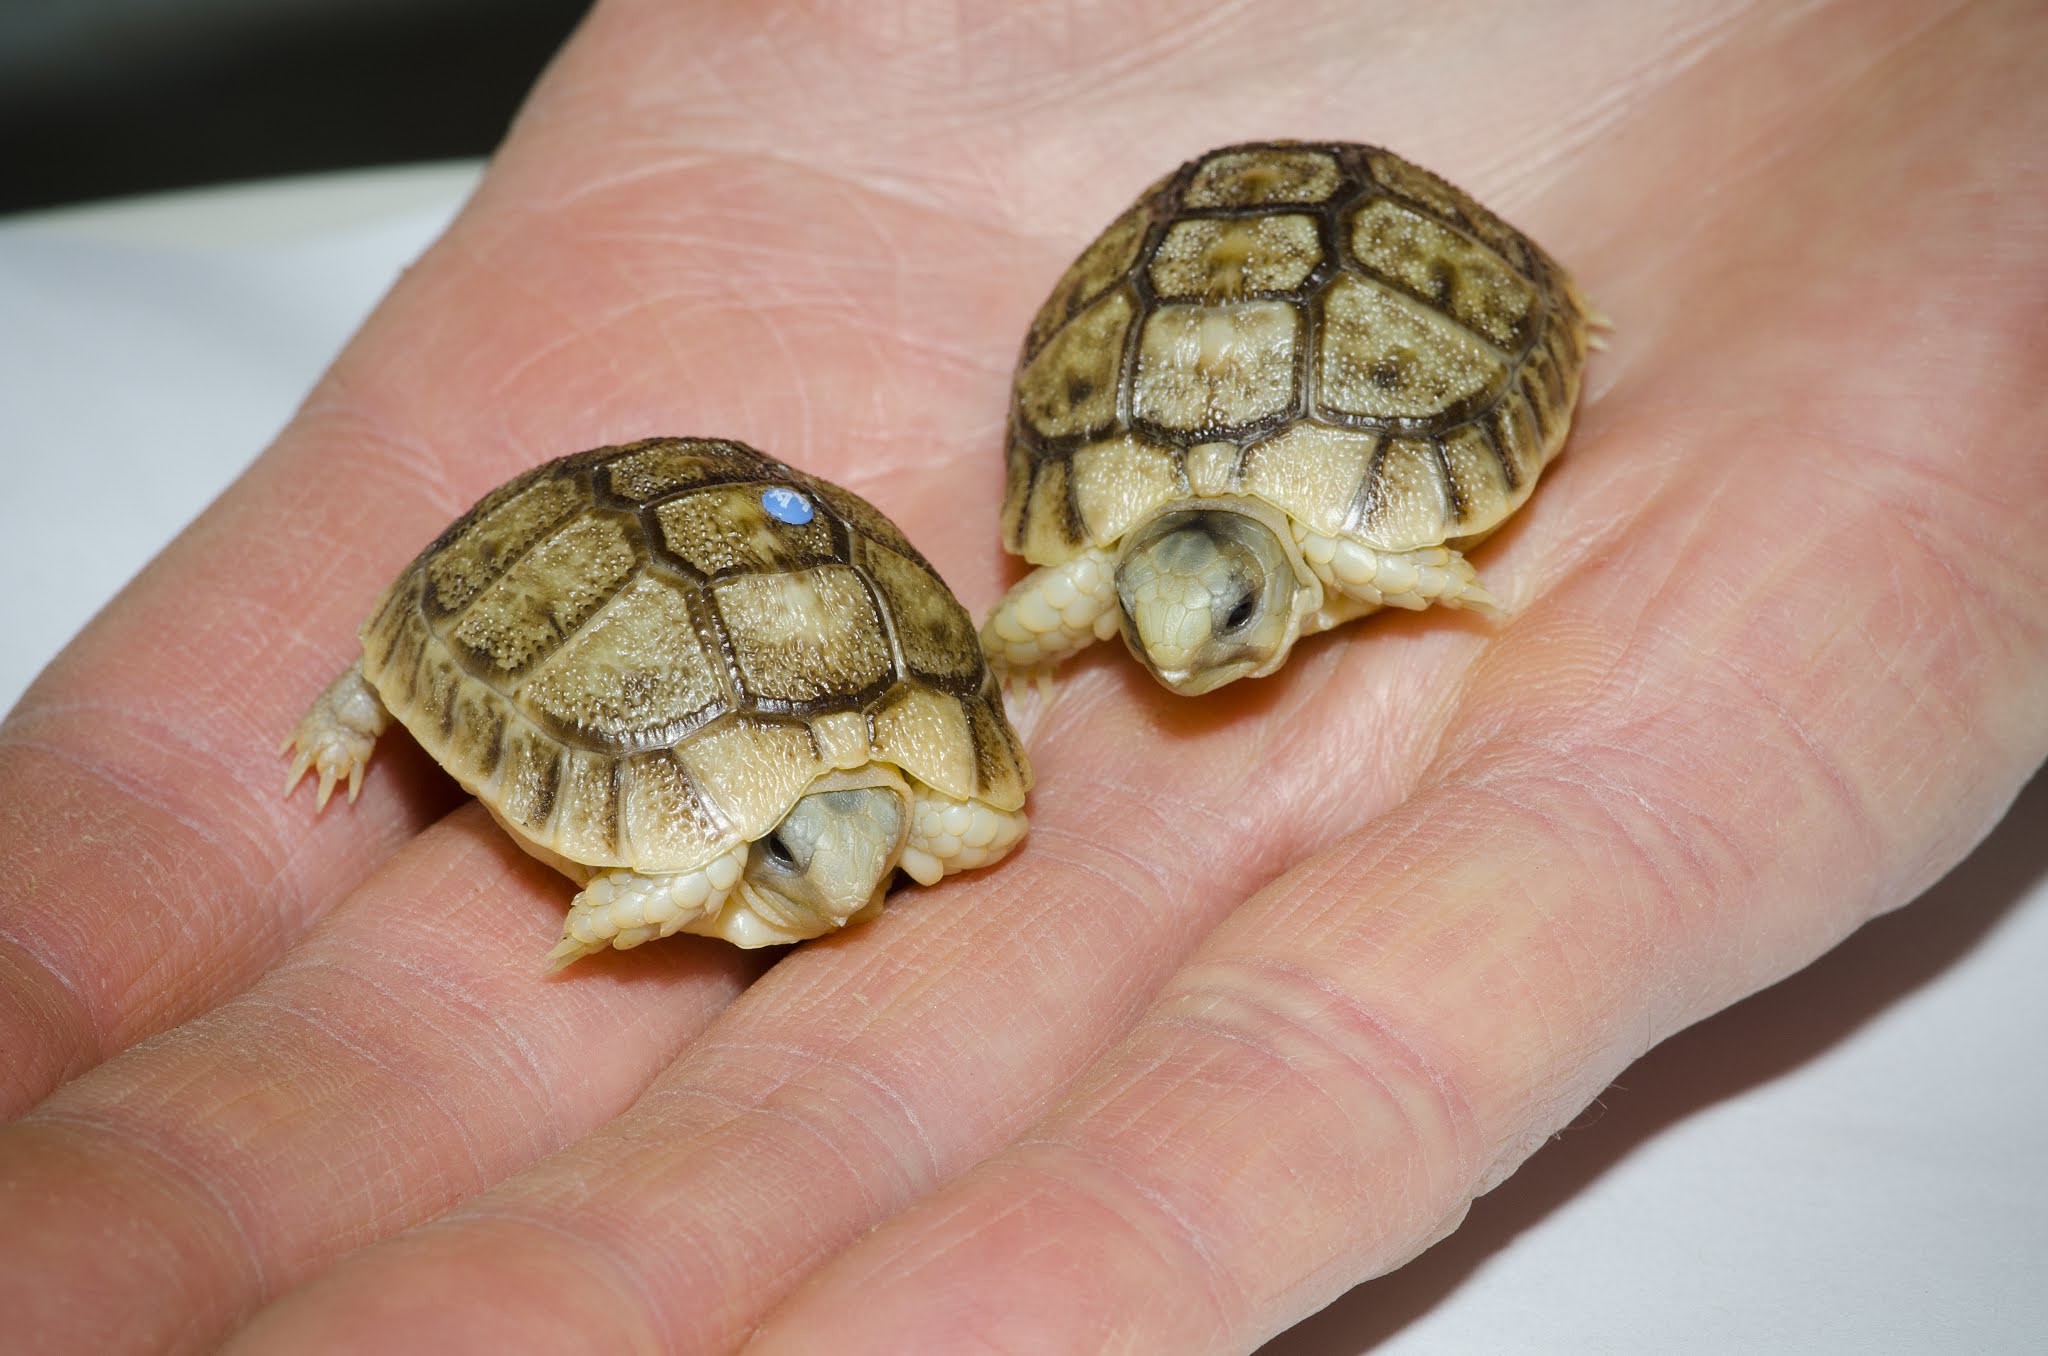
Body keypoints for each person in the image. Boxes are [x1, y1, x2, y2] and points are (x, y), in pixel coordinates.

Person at [1, 2, 2042, 1352]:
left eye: (1217, 627)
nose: (1176, 660)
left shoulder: (1339, 556)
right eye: (1149, 615)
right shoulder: (1008, 674)